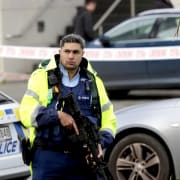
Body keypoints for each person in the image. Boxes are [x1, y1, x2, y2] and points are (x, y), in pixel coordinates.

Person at [20, 34, 116, 180]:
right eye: (67, 51)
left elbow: (109, 120)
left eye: (75, 52)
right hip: (49, 157)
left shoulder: (94, 82)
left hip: (82, 159)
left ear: (82, 54)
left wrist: (100, 143)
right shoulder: (41, 77)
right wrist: (57, 116)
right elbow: (26, 114)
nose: (71, 56)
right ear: (60, 52)